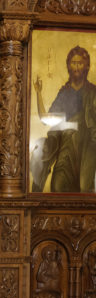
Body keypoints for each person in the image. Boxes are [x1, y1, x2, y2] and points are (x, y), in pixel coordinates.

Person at [32, 46, 96, 192]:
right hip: (66, 147)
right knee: (57, 186)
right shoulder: (64, 93)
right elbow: (46, 119)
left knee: (85, 188)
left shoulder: (93, 92)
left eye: (80, 63)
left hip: (87, 147)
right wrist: (38, 93)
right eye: (73, 63)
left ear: (86, 66)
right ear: (68, 66)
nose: (76, 67)